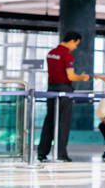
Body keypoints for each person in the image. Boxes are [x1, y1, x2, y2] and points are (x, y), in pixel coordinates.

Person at [37, 31, 92, 162]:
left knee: (49, 121)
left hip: (51, 89)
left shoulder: (51, 53)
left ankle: (42, 153)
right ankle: (61, 154)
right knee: (63, 123)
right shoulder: (66, 55)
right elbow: (71, 76)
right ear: (72, 41)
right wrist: (83, 77)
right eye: (76, 44)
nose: (76, 47)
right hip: (64, 90)